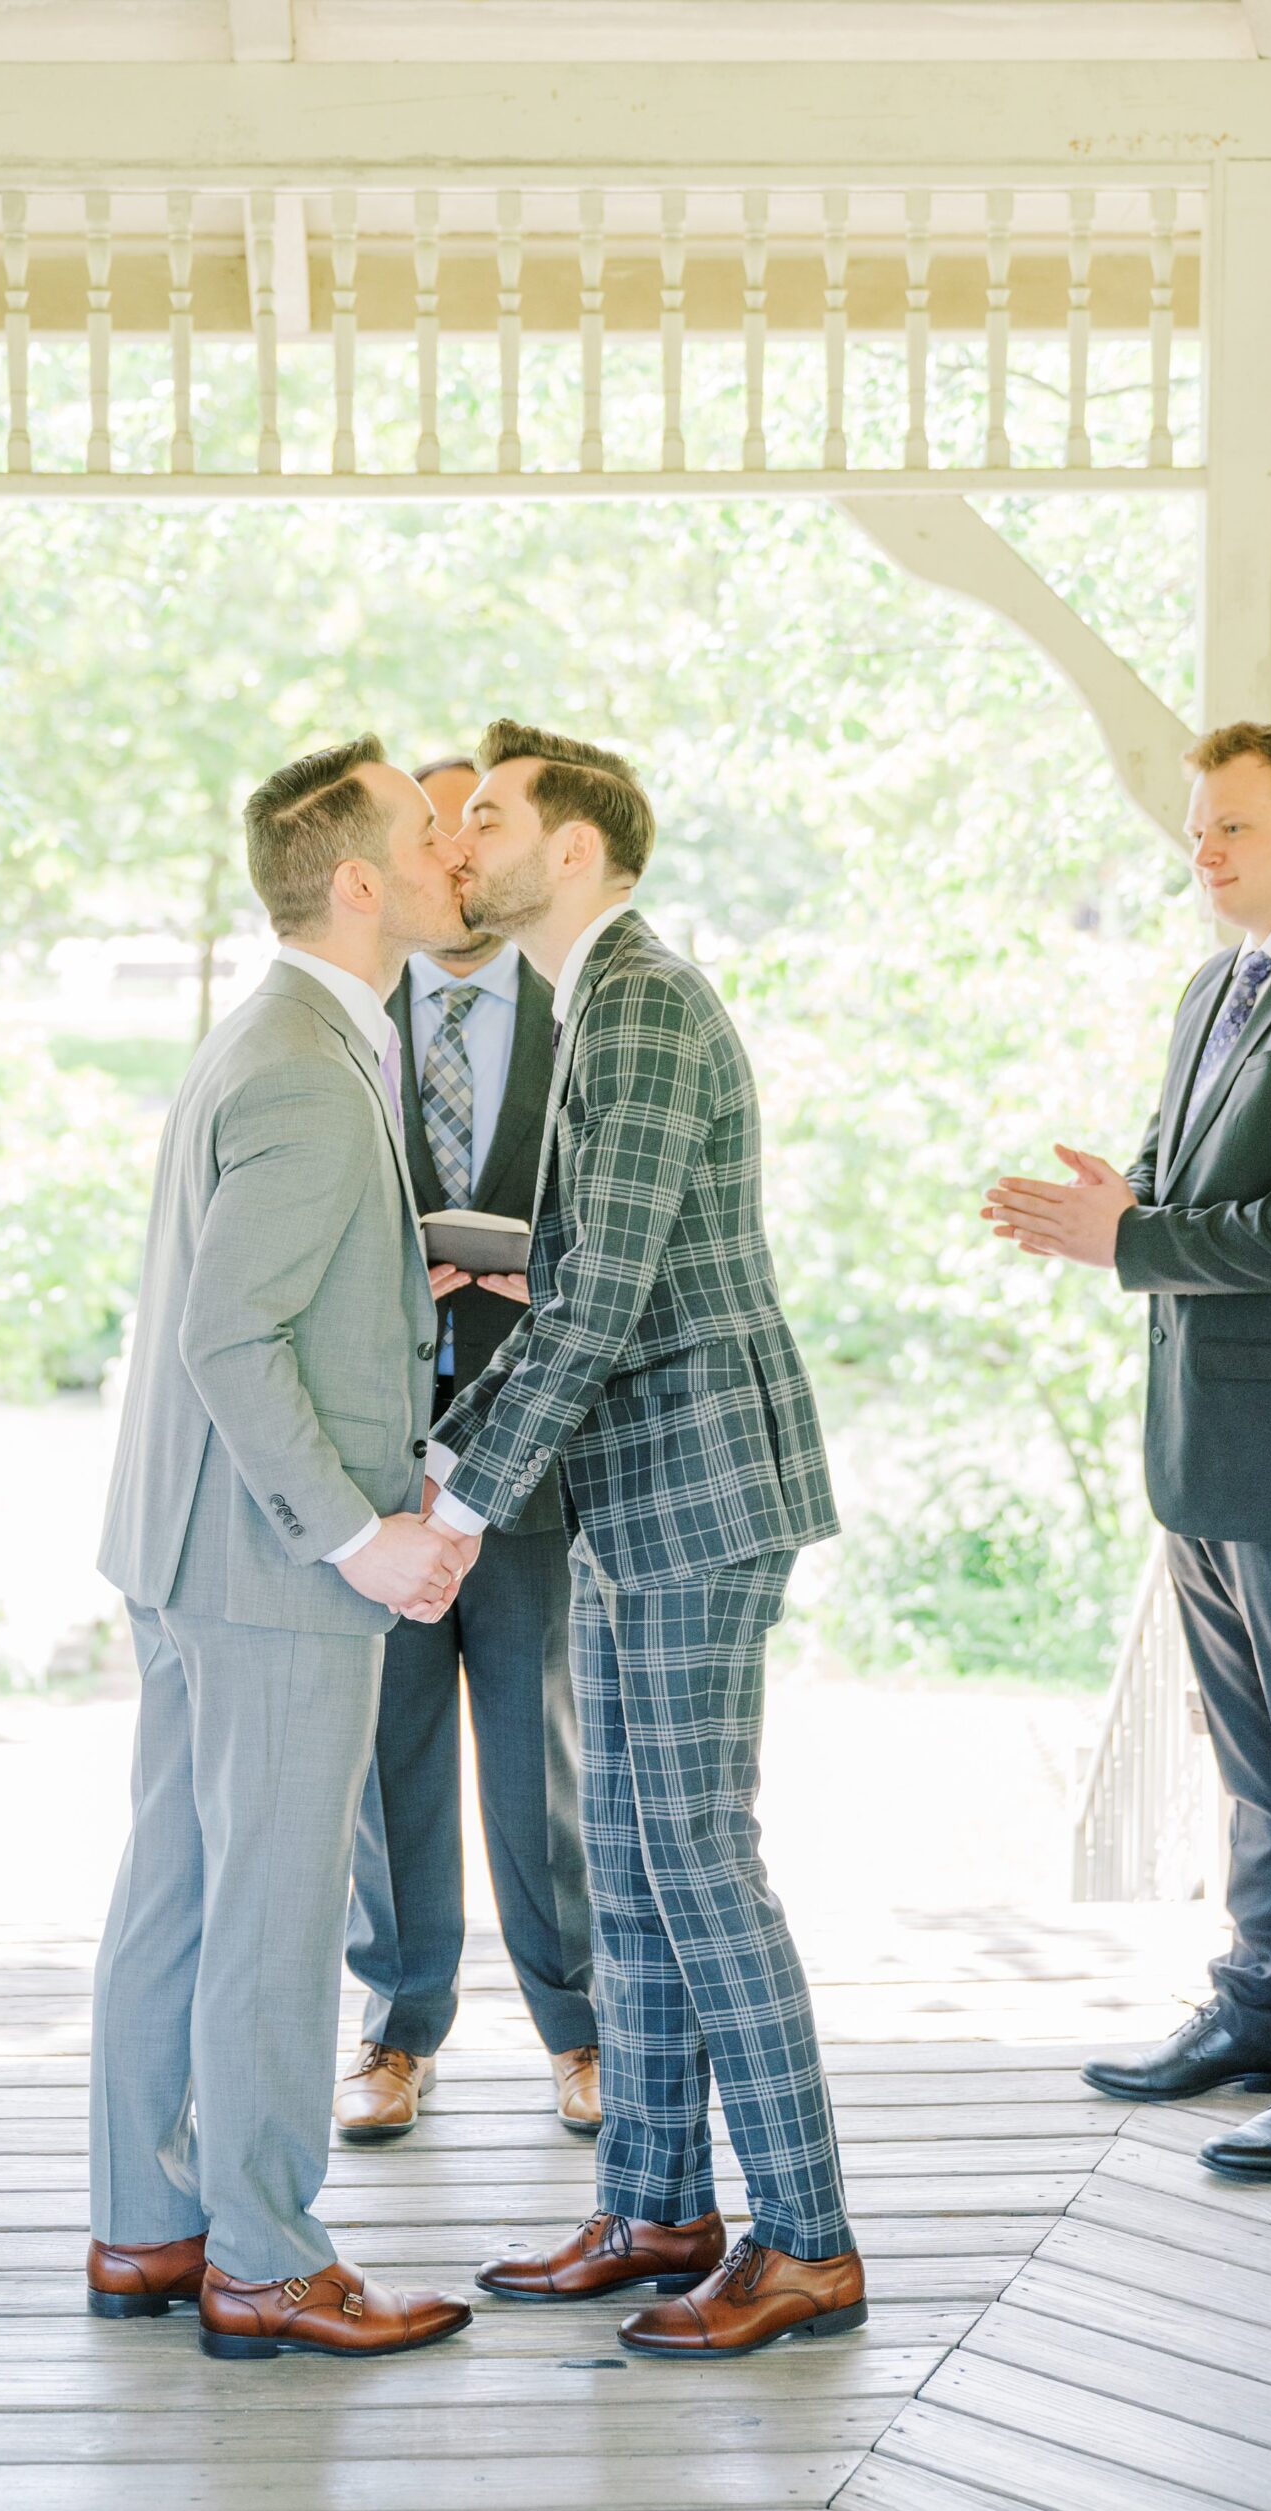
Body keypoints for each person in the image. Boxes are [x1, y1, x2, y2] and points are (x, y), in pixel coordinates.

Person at [425, 718, 865, 2358]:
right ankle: (660, 2202)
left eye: (488, 818)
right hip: (630, 1482)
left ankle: (808, 2239)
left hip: (695, 1487)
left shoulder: (646, 1000)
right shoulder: (590, 998)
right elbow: (599, 1270)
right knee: (629, 1863)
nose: (458, 845)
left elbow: (603, 1292)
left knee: (695, 1857)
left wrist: (456, 1495)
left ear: (580, 850)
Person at [89, 737, 481, 2359]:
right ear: (360, 881)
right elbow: (229, 1345)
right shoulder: (319, 1071)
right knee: (272, 1913)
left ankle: (147, 2228)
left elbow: (256, 1301)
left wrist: (406, 1282)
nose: (458, 846)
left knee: (178, 1892)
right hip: (269, 1568)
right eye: (424, 828)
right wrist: (359, 1538)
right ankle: (265, 2259)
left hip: (181, 1548)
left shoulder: (270, 1035)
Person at [985, 722, 1271, 2184]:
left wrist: (1136, 1239)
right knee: (1258, 1765)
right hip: (1206, 1439)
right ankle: (1257, 2015)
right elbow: (1197, 1191)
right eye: (1197, 828)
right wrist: (1131, 1199)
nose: (1204, 851)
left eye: (1233, 826)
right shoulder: (1215, 986)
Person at [337, 756, 600, 2144]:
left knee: (537, 1752)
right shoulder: (345, 1013)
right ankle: (397, 2031)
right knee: (392, 1758)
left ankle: (580, 2024)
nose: (455, 854)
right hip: (377, 1456)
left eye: (471, 827)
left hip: (535, 1453)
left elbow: (629, 1222)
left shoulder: (582, 1014)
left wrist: (531, 1273)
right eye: (436, 831)